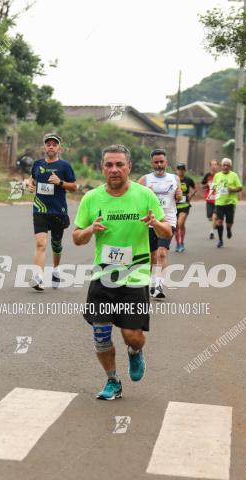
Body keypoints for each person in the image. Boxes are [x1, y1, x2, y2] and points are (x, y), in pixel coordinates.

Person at [74, 144, 170, 400]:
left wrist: (156, 224)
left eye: (119, 164)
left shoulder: (145, 195)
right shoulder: (91, 198)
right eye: (109, 165)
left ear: (129, 167)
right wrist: (89, 230)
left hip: (135, 275)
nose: (114, 169)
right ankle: (112, 381)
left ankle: (135, 352)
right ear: (102, 168)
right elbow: (77, 238)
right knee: (101, 334)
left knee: (132, 336)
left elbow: (167, 232)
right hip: (103, 275)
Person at [25, 133, 77, 290]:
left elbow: (74, 186)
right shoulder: (37, 164)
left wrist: (60, 182)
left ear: (59, 148)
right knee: (41, 243)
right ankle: (39, 277)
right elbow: (32, 179)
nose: (51, 146)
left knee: (56, 244)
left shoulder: (65, 166)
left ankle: (55, 269)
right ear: (44, 147)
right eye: (48, 144)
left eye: (54, 144)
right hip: (40, 208)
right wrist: (29, 185)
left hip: (58, 211)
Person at [138, 149, 182, 299]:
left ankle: (158, 285)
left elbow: (179, 197)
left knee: (162, 252)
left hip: (167, 220)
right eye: (156, 162)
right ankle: (152, 280)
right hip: (150, 222)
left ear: (166, 162)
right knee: (152, 256)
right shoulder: (144, 180)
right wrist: (145, 194)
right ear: (152, 163)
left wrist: (179, 196)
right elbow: (136, 200)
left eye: (161, 162)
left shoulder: (174, 178)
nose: (159, 164)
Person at [211, 157, 242, 248]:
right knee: (219, 222)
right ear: (221, 166)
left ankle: (228, 229)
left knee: (229, 223)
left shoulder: (234, 175)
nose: (225, 167)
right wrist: (214, 191)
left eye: (227, 165)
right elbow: (214, 187)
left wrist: (233, 189)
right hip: (219, 202)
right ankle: (220, 240)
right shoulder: (217, 175)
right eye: (224, 165)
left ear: (230, 167)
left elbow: (240, 188)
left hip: (230, 203)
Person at [174, 163, 195, 253]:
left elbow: (194, 188)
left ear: (185, 170)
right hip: (174, 206)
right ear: (176, 170)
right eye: (179, 169)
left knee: (180, 223)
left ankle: (182, 242)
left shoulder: (188, 180)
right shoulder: (172, 180)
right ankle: (178, 244)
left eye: (182, 169)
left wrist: (191, 194)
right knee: (176, 226)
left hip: (185, 205)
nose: (181, 171)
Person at [200, 160, 219, 240]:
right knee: (209, 217)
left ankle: (212, 232)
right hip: (209, 199)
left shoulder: (220, 175)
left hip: (218, 200)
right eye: (212, 165)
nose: (214, 166)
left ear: (217, 166)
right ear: (210, 166)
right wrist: (206, 185)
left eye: (215, 164)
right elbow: (201, 185)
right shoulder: (207, 175)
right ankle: (216, 224)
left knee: (214, 216)